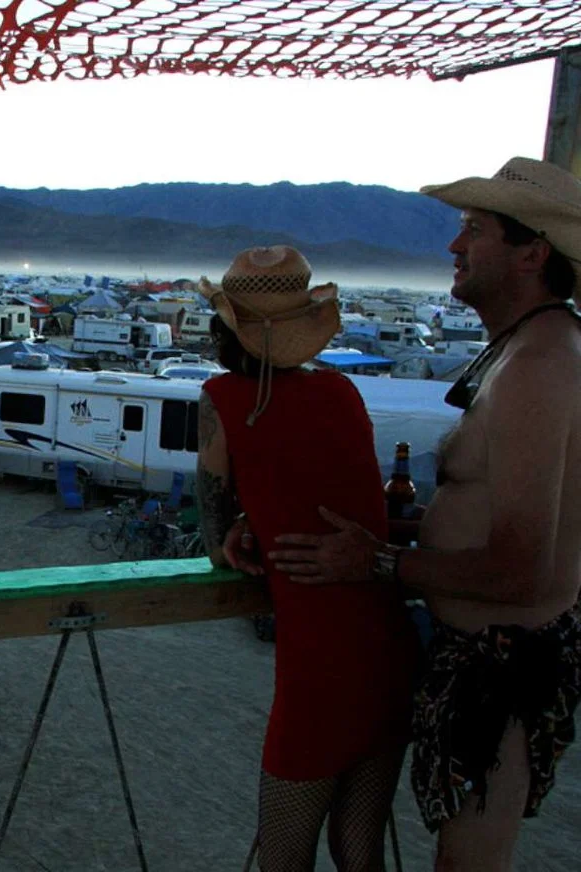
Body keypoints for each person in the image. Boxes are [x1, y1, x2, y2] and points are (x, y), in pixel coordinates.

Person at [261, 157, 581, 871]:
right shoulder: (560, 349)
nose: (454, 246)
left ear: (532, 252)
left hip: (501, 668)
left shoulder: (536, 369)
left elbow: (520, 572)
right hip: (509, 659)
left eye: (474, 230)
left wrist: (378, 561)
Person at [196, 246, 419, 872]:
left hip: (322, 667)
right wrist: (260, 516)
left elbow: (213, 540)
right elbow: (328, 490)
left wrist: (241, 524)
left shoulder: (221, 397)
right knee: (360, 852)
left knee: (284, 858)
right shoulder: (343, 390)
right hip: (390, 650)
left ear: (226, 332)